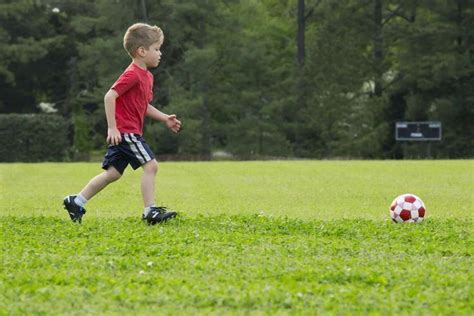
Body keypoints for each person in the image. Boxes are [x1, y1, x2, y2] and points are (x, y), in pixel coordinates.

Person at [63, 23, 181, 225]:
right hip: (126, 132)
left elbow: (143, 105)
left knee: (113, 174)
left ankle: (76, 200)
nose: (160, 53)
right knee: (151, 166)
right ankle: (150, 211)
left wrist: (164, 118)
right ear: (142, 51)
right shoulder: (133, 74)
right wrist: (112, 127)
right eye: (157, 49)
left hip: (126, 132)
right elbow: (110, 96)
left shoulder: (147, 76)